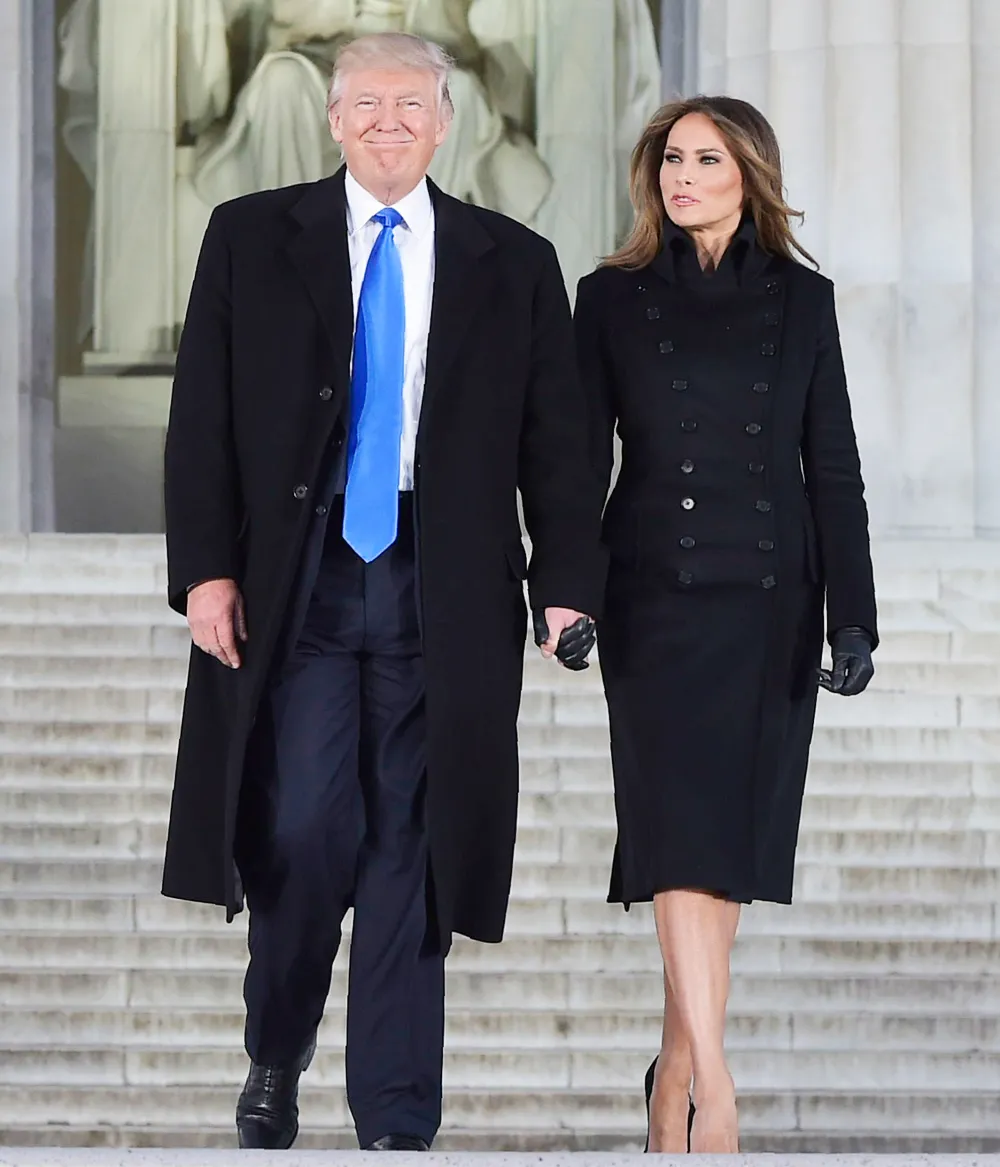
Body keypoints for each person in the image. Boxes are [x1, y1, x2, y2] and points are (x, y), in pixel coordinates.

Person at [161, 31, 605, 1152]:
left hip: (441, 584)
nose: (388, 121)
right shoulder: (251, 238)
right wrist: (204, 570)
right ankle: (277, 1045)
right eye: (366, 103)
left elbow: (558, 447)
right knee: (304, 828)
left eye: (411, 104)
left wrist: (564, 584)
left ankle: (397, 1119)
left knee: (415, 844)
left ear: (445, 122)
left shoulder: (515, 260)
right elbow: (201, 421)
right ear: (333, 118)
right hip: (297, 582)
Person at [573, 96, 877, 1154]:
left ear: (748, 173)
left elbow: (829, 467)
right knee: (677, 841)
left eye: (704, 158)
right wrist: (562, 590)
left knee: (720, 853)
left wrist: (854, 616)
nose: (680, 174)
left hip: (770, 604)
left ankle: (672, 1078)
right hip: (653, 598)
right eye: (667, 158)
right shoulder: (608, 300)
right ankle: (715, 1091)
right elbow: (574, 464)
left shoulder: (802, 302)